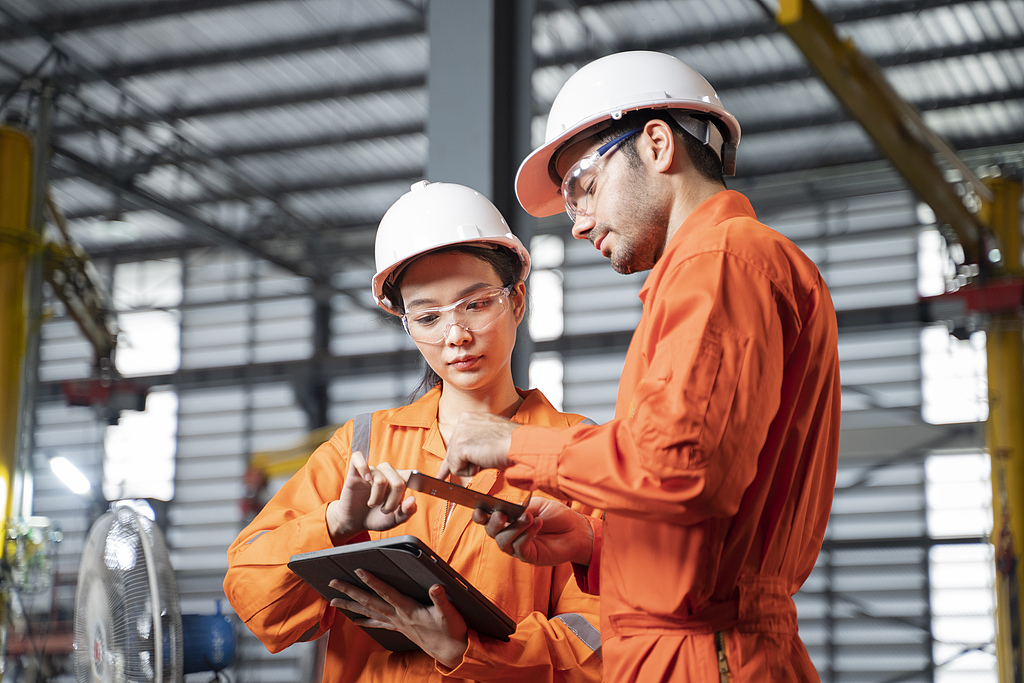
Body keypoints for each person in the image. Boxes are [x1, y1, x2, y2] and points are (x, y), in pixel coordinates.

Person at [440, 51, 842, 681]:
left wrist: (513, 445)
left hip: (703, 660)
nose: (577, 224)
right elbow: (704, 513)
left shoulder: (722, 264)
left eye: (582, 187)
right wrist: (594, 544)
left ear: (657, 144)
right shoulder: (714, 270)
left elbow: (680, 467)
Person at [223, 180, 604, 682]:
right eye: (427, 316)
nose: (456, 335)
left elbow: (599, 640)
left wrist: (464, 648)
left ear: (517, 301)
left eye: (476, 303)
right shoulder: (358, 448)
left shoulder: (576, 453)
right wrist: (335, 524)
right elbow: (254, 599)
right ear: (406, 324)